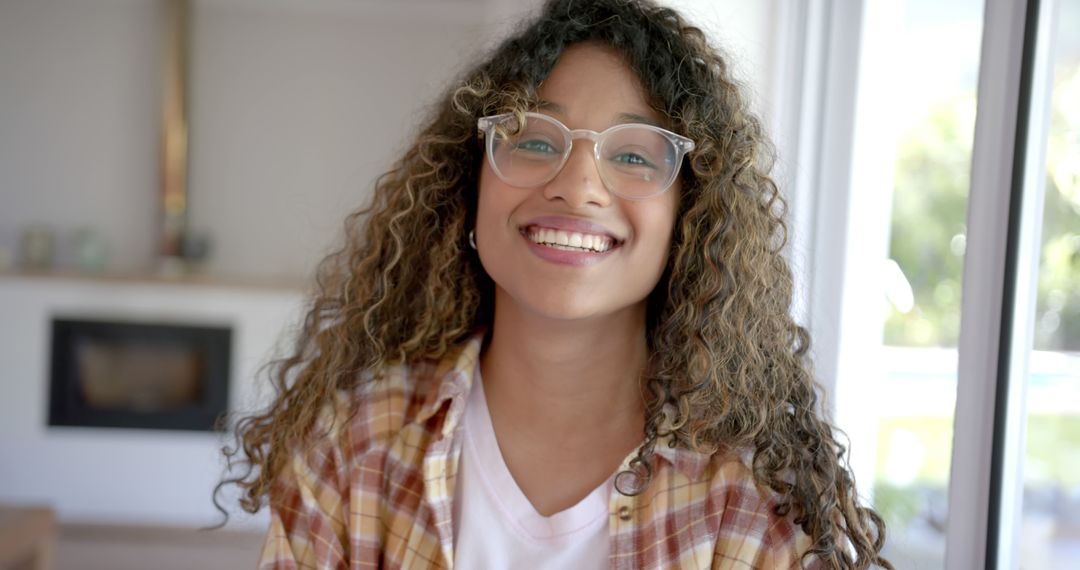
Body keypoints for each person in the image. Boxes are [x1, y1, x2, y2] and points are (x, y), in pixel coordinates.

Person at [219, 0, 892, 568]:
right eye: (536, 140)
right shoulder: (351, 443)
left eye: (633, 155)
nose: (576, 186)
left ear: (692, 217)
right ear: (468, 187)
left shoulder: (755, 498)